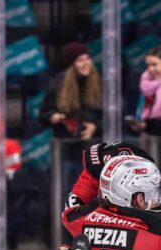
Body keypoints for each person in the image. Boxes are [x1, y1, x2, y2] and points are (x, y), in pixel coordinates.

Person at [40, 42, 103, 195]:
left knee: (93, 194)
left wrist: (95, 127)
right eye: (80, 60)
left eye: (87, 58)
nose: (86, 63)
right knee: (68, 192)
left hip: (92, 152)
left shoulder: (98, 83)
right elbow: (43, 115)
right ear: (71, 64)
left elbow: (110, 116)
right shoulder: (58, 85)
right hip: (66, 151)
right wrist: (54, 117)